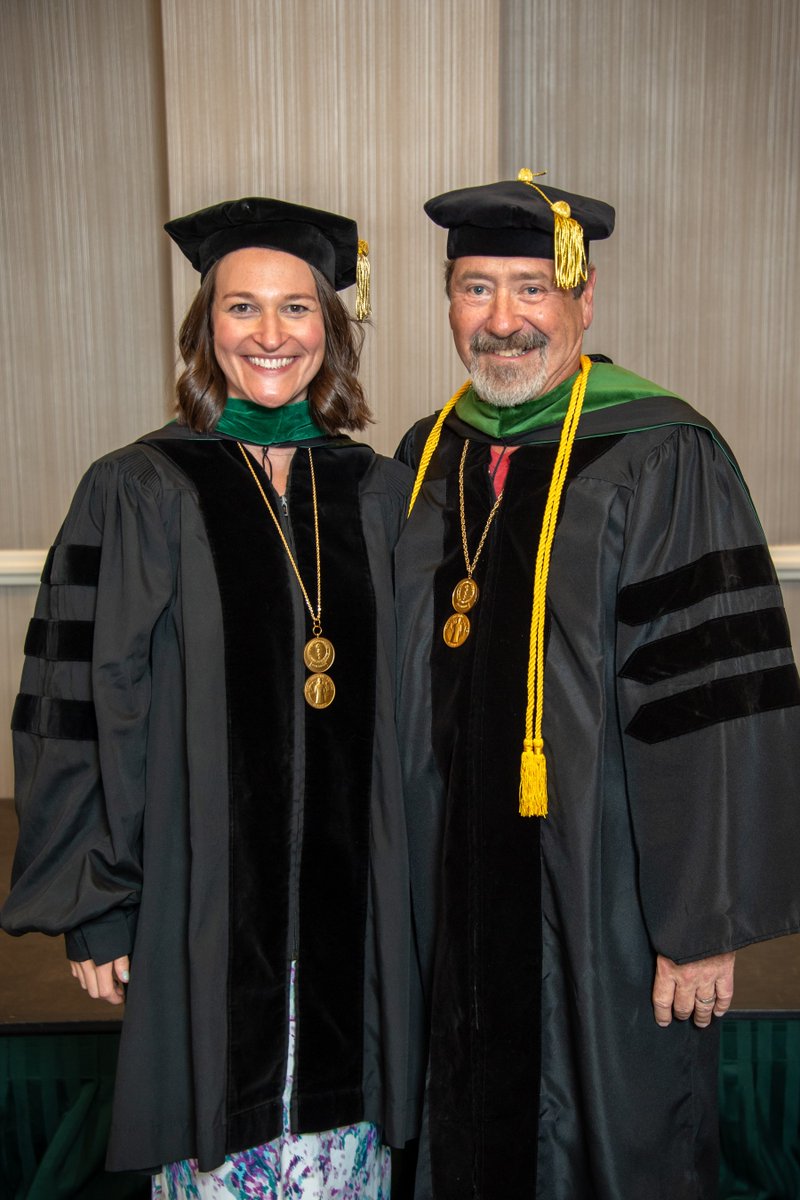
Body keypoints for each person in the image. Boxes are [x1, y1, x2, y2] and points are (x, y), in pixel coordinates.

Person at [1, 196, 422, 1197]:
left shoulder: (379, 491)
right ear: (204, 328)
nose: (269, 335)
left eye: (295, 310)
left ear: (332, 331)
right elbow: (78, 704)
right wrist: (95, 903)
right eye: (241, 309)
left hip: (355, 909)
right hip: (200, 904)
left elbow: (423, 717)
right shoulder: (139, 488)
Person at [394, 170, 800, 1199]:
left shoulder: (661, 451)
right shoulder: (424, 452)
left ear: (582, 302)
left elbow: (707, 699)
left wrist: (701, 922)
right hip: (450, 883)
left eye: (530, 289)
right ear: (447, 303)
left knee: (612, 1134)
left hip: (606, 885)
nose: (501, 321)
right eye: (475, 289)